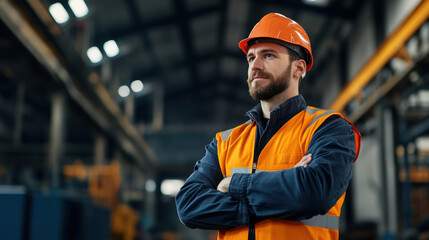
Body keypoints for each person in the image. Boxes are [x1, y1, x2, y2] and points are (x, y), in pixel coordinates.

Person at [175, 13, 361, 240]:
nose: (256, 65)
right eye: (251, 58)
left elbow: (315, 191)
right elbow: (189, 205)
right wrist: (288, 189)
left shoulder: (328, 128)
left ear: (299, 68)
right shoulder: (226, 141)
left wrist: (233, 185)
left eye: (269, 55)